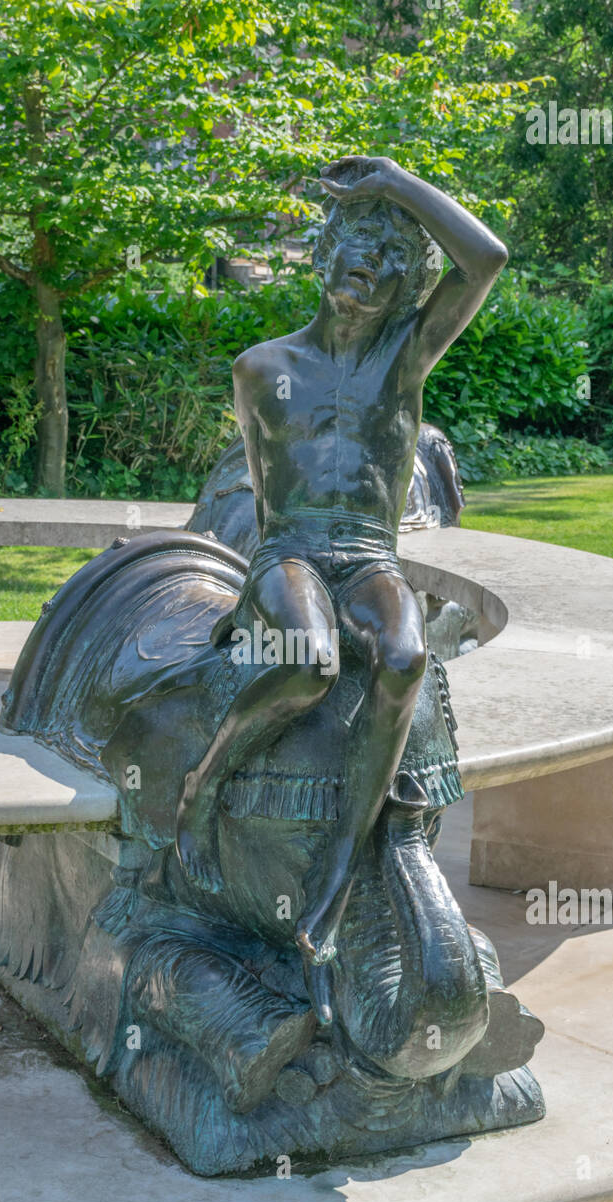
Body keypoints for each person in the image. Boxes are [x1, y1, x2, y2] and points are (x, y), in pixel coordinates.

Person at [176, 154, 507, 1022]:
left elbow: (488, 259)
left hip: (369, 557)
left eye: (393, 257)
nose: (371, 264)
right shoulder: (259, 367)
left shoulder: (409, 354)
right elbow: (260, 480)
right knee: (311, 662)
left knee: (401, 656)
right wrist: (261, 578)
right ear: (321, 259)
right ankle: (205, 785)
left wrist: (395, 181)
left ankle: (337, 867)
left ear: (409, 286)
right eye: (356, 246)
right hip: (289, 551)